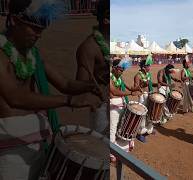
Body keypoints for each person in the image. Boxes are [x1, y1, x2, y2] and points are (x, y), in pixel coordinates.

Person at [0, 0, 103, 178]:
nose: (38, 35)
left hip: (41, 142)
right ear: (14, 21)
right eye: (33, 28)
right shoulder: (1, 55)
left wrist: (89, 85)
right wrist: (68, 101)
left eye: (41, 30)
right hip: (11, 150)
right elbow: (15, 97)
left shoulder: (33, 54)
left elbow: (66, 84)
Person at [76, 0, 108, 134]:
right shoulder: (89, 47)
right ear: (106, 19)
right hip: (101, 106)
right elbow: (79, 84)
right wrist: (93, 86)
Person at [110, 58, 141, 161]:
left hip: (121, 104)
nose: (121, 71)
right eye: (120, 69)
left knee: (121, 125)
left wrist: (137, 87)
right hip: (113, 107)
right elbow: (114, 92)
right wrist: (131, 93)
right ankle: (111, 153)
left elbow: (129, 88)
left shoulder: (120, 78)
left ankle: (119, 148)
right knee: (112, 129)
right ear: (113, 68)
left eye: (123, 70)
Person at [133, 55, 158, 142]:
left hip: (149, 94)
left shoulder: (148, 74)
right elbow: (136, 88)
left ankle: (149, 130)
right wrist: (143, 84)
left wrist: (156, 84)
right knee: (142, 115)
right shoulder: (138, 76)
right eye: (148, 66)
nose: (150, 67)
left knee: (150, 112)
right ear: (144, 67)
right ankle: (140, 133)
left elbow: (150, 84)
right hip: (142, 96)